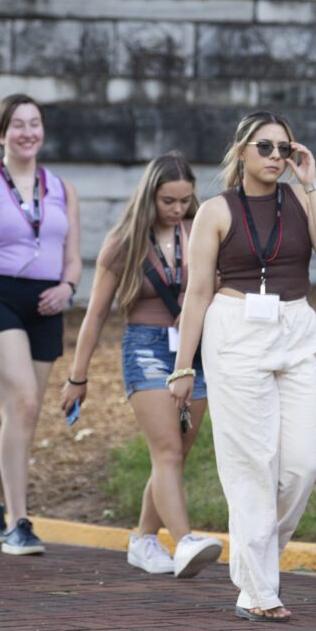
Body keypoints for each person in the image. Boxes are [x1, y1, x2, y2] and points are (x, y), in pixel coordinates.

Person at [169, 111, 316, 621]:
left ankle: (257, 564)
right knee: (252, 464)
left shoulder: (299, 198)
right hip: (235, 329)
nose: (275, 157)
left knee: (305, 460)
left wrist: (311, 183)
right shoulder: (216, 210)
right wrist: (184, 368)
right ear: (242, 151)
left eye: (284, 149)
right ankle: (259, 589)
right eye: (265, 147)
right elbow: (198, 291)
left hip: (293, 328)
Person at [60, 151, 223, 578]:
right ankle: (185, 540)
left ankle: (144, 539)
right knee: (167, 449)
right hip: (146, 349)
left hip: (194, 352)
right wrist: (79, 376)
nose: (178, 209)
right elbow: (94, 315)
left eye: (186, 200)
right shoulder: (124, 243)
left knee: (176, 455)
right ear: (149, 197)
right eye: (169, 201)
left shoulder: (199, 230)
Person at [0, 93, 80, 556]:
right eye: (17, 125)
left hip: (46, 304)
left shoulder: (61, 187)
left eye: (35, 123)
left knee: (24, 413)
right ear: (0, 134)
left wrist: (67, 287)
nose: (28, 132)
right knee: (21, 401)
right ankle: (19, 523)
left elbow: (73, 257)